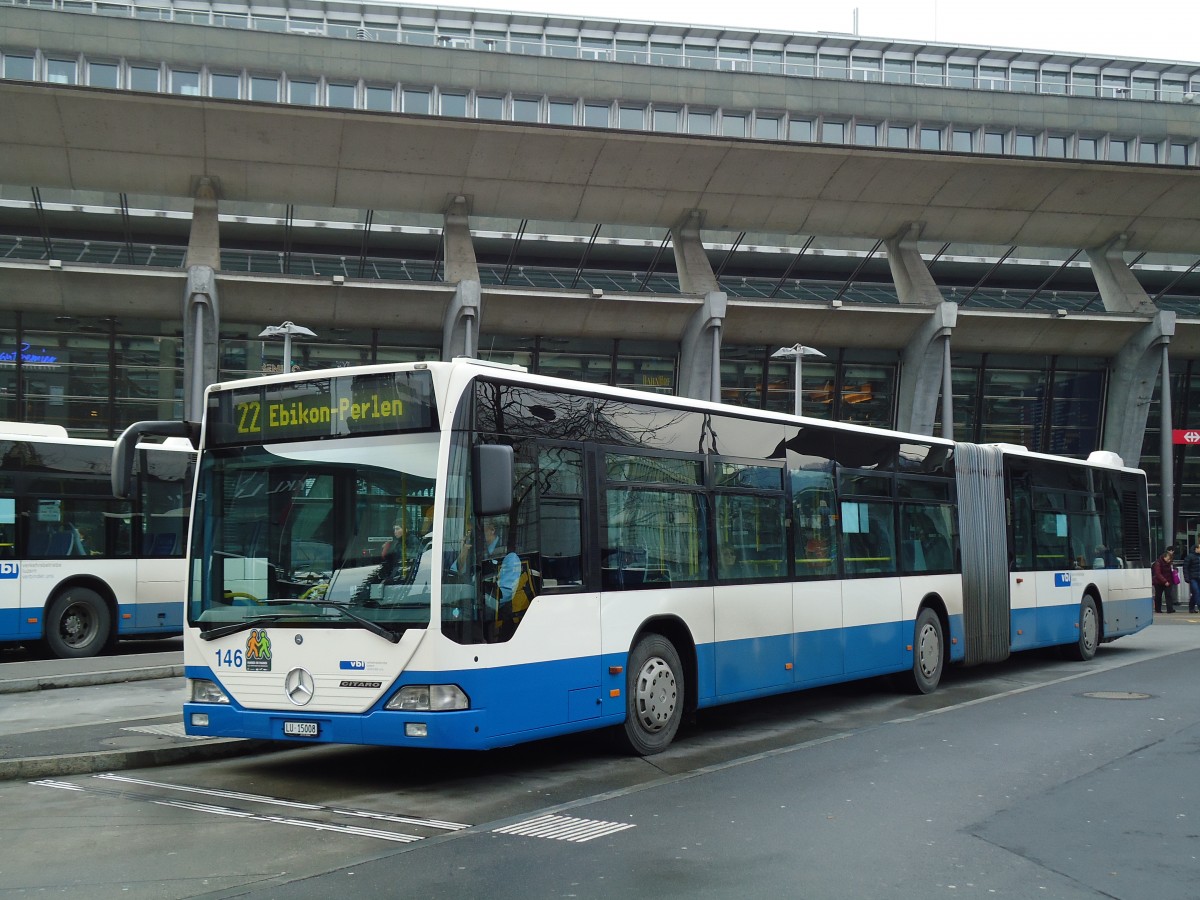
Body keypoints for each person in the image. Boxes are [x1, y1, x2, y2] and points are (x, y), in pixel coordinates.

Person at [1151, 548, 1177, 614]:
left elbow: (1173, 570)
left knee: (1168, 595)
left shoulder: (1169, 563)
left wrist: (1175, 570)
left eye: (1170, 559)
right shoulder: (1158, 563)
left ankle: (1170, 609)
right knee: (1158, 595)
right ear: (1164, 557)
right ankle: (1158, 609)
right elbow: (1158, 573)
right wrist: (1165, 581)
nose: (1169, 561)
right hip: (1158, 582)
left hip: (1168, 580)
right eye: (1168, 559)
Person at [1184, 542, 1200, 614]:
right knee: (1196, 591)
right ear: (1196, 548)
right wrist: (1186, 577)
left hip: (1198, 577)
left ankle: (1191, 608)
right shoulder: (1190, 557)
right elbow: (1185, 568)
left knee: (1195, 593)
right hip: (1193, 577)